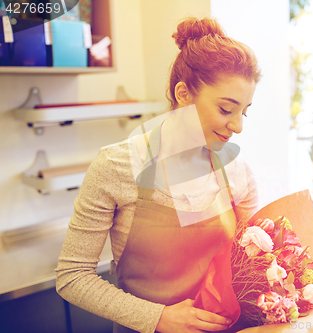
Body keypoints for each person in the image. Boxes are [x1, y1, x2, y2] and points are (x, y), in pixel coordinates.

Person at [56, 17, 261, 333]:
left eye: (243, 112)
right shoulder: (117, 166)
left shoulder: (236, 169)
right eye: (225, 109)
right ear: (183, 94)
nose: (238, 126)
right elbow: (73, 277)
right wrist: (158, 317)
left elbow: (253, 255)